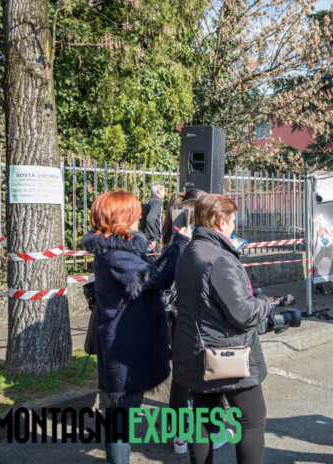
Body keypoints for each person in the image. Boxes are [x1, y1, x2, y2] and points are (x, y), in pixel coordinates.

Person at [82, 190, 191, 464]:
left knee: (124, 414)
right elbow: (156, 279)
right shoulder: (114, 254)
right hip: (125, 346)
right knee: (121, 421)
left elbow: (150, 272)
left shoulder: (118, 248)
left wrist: (174, 245)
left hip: (130, 341)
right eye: (135, 214)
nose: (139, 219)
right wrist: (179, 243)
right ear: (121, 217)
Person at [173, 194, 273, 464]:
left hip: (195, 352)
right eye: (233, 221)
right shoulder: (219, 259)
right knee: (252, 419)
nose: (234, 226)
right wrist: (265, 303)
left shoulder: (188, 252)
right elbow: (243, 313)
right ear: (221, 223)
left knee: (202, 420)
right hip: (227, 355)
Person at [160, 188, 207, 454]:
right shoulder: (187, 239)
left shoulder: (174, 234)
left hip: (178, 315)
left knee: (182, 375)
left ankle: (178, 432)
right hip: (189, 315)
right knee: (193, 375)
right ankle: (189, 433)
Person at [142, 181, 166, 253]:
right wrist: (153, 238)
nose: (165, 192)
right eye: (164, 190)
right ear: (159, 191)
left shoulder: (147, 201)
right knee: (157, 258)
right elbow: (150, 219)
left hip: (144, 236)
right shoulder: (157, 202)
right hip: (150, 239)